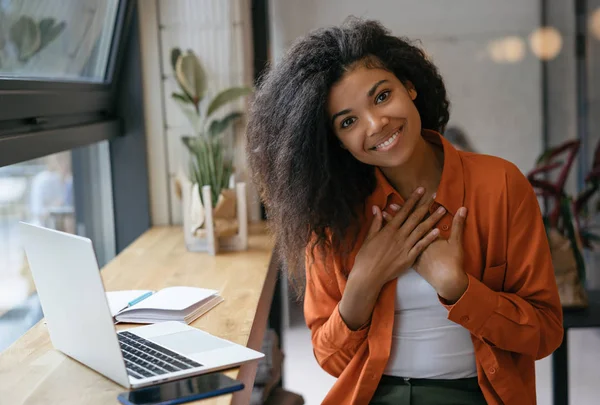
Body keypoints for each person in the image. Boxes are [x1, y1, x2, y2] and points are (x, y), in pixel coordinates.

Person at [246, 18, 563, 405]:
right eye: (348, 121)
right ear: (337, 141)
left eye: (381, 96)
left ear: (409, 86)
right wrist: (363, 283)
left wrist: (459, 289)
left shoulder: (501, 185)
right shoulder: (332, 212)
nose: (376, 124)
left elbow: (545, 333)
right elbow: (331, 361)